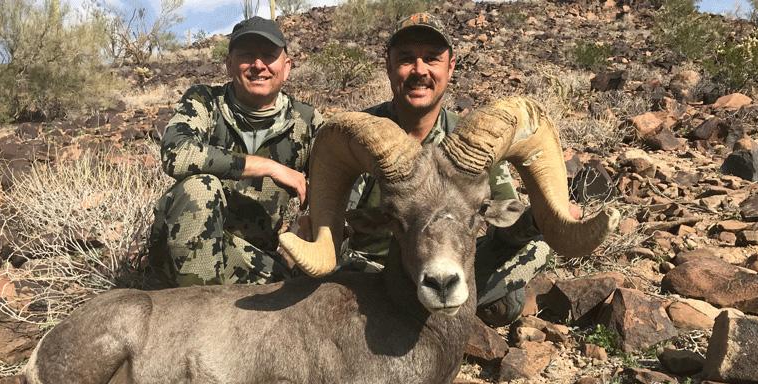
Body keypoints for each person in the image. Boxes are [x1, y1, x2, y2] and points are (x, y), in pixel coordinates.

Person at [344, 12, 555, 326]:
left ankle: (432, 309)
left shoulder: (475, 142)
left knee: (533, 256)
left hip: (451, 257)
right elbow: (335, 221)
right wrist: (317, 229)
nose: (420, 70)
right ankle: (431, 311)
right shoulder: (363, 139)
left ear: (450, 66)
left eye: (432, 59)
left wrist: (543, 217)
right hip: (374, 271)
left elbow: (504, 224)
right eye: (406, 59)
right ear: (388, 66)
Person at [148, 17, 323, 287]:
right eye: (246, 55)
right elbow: (176, 153)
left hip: (247, 257)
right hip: (183, 250)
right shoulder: (204, 102)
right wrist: (269, 167)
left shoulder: (307, 122)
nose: (258, 65)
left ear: (286, 68)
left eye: (269, 56)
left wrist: (312, 221)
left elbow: (341, 184)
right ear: (229, 65)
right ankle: (196, 314)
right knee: (200, 187)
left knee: (294, 285)